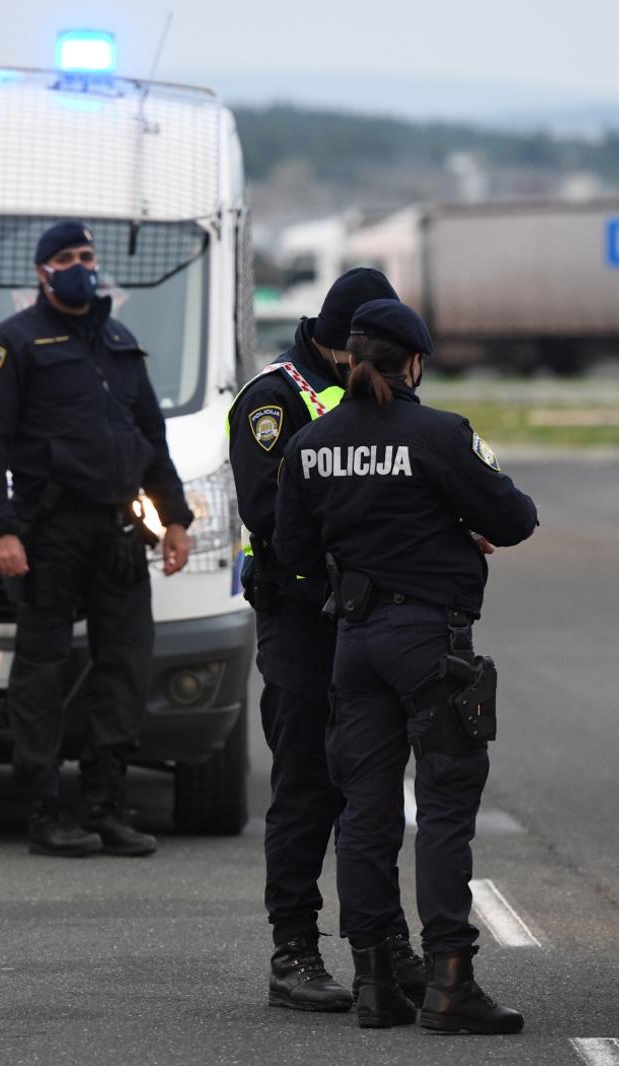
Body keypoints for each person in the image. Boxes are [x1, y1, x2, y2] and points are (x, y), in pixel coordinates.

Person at [274, 299, 538, 1033]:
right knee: (447, 807)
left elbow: (293, 552)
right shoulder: (439, 434)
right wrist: (450, 530)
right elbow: (515, 519)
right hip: (427, 640)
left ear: (350, 359)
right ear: (414, 362)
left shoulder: (311, 444)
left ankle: (376, 982)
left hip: (353, 644)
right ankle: (450, 980)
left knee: (364, 812)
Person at [227, 269, 428, 1013]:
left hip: (372, 619)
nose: (369, 360)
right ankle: (295, 950)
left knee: (372, 791)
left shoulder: (373, 386)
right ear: (335, 340)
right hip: (303, 620)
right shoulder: (273, 398)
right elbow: (265, 511)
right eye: (360, 348)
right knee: (307, 786)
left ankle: (383, 943)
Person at [0, 220, 194, 859]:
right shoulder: (11, 344)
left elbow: (151, 437)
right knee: (41, 670)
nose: (79, 265)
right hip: (49, 531)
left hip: (119, 529)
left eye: (86, 255)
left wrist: (174, 520)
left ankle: (106, 804)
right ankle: (45, 809)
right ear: (42, 272)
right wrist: (0, 530)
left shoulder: (119, 341)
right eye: (65, 257)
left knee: (124, 665)